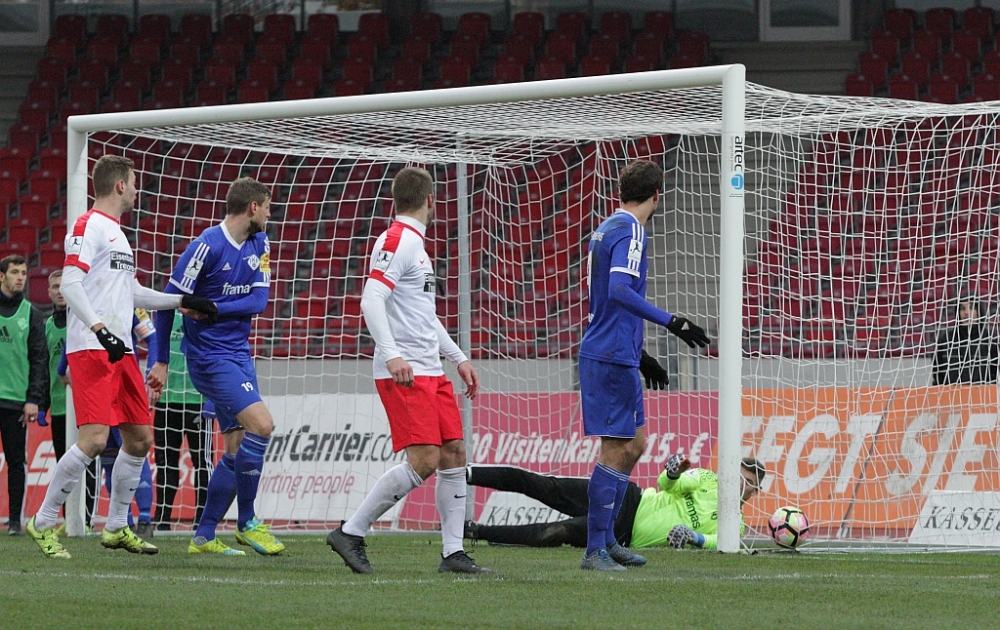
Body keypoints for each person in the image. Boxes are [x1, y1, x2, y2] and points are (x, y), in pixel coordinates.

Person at [26, 155, 217, 560]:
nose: (136, 190)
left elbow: (131, 293)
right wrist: (99, 329)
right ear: (119, 186)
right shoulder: (88, 226)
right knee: (94, 440)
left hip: (121, 350)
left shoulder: (118, 234)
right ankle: (42, 522)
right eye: (133, 182)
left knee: (140, 438)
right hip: (92, 348)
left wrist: (181, 301)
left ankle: (115, 527)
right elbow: (71, 283)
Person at [327, 167, 489, 575]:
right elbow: (371, 299)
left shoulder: (415, 245)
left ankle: (453, 553)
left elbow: (423, 315)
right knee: (425, 458)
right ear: (431, 200)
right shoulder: (397, 240)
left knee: (453, 452)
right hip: (404, 370)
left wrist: (458, 358)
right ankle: (350, 531)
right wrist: (392, 354)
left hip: (430, 368)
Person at [576, 159, 711, 571]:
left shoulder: (606, 227)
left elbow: (606, 299)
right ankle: (594, 550)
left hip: (619, 351)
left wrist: (641, 354)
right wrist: (672, 322)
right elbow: (618, 289)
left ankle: (609, 541)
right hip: (609, 354)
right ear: (656, 195)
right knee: (615, 450)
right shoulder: (632, 230)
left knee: (635, 445)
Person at [150, 176, 283, 557]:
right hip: (209, 358)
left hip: (239, 354)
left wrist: (212, 308)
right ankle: (248, 522)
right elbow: (167, 304)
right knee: (263, 426)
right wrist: (161, 360)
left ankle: (204, 535)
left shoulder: (260, 242)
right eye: (267, 207)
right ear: (253, 207)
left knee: (237, 445)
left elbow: (258, 302)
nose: (270, 214)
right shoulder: (204, 247)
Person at [464, 455, 766, 550]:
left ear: (755, 492)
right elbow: (668, 484)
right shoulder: (708, 479)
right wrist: (673, 472)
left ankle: (476, 531)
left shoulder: (735, 524)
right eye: (738, 476)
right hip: (628, 497)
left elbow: (717, 543)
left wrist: (694, 537)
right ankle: (465, 473)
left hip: (624, 533)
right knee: (544, 485)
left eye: (747, 482)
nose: (739, 483)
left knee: (557, 532)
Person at [0, 254, 49, 536]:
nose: (20, 277)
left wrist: (33, 399)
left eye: (23, 273)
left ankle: (14, 522)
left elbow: (39, 359)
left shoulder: (32, 313)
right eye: (14, 272)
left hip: (16, 401)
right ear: (1, 276)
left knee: (16, 462)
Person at [150, 313, 210, 532]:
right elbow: (154, 349)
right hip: (167, 401)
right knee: (165, 463)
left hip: (198, 400)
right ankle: (162, 519)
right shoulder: (163, 316)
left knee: (202, 463)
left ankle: (203, 519)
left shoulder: (202, 315)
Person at [932, 297, 998, 385]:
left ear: (979, 311)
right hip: (951, 392)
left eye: (971, 308)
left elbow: (995, 373)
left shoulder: (991, 339)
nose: (966, 313)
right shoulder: (946, 339)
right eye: (962, 309)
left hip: (982, 392)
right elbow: (937, 372)